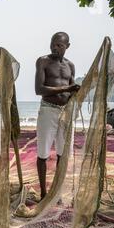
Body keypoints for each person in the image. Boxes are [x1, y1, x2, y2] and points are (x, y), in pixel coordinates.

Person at [35, 32, 80, 200]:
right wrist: (67, 89)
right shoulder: (43, 61)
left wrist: (76, 91)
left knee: (63, 153)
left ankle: (57, 190)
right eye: (53, 43)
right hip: (48, 110)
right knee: (43, 154)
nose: (55, 47)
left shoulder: (71, 66)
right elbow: (39, 89)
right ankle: (43, 192)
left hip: (66, 113)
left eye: (59, 45)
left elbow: (72, 87)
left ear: (67, 46)